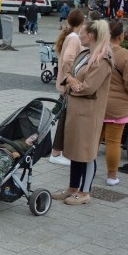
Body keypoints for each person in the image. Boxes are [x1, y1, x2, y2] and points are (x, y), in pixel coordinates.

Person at [52, 20, 113, 205]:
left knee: (86, 152)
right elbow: (69, 74)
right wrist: (70, 80)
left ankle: (85, 192)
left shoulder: (102, 59)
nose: (79, 37)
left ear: (91, 36)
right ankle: (72, 188)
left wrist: (70, 81)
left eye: (82, 34)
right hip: (76, 110)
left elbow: (87, 87)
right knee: (75, 151)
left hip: (89, 113)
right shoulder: (86, 54)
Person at [102, 20, 128, 185]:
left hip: (97, 103)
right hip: (118, 107)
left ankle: (85, 170)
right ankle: (112, 176)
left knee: (93, 140)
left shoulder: (98, 51)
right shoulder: (125, 55)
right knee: (113, 141)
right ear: (120, 35)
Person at [49, 9, 85, 166]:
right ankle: (56, 152)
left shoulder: (71, 36)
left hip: (65, 84)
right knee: (63, 119)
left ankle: (58, 151)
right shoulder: (74, 38)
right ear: (82, 22)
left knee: (61, 117)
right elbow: (68, 60)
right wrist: (72, 77)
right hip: (68, 85)